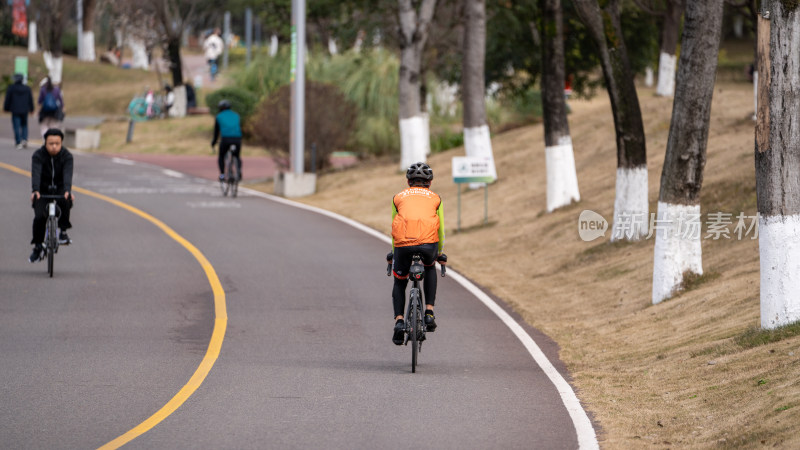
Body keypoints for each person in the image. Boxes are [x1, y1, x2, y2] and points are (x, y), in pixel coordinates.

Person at [387, 162, 447, 345]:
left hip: (403, 246)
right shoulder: (436, 198)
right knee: (430, 267)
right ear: (429, 182)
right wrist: (440, 252)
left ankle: (398, 321)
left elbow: (394, 227)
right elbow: (441, 229)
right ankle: (429, 312)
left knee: (399, 281)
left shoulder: (398, 198)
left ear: (408, 182)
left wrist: (393, 252)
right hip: (428, 245)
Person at [29, 128, 74, 263]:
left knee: (66, 200)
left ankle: (63, 232)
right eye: (51, 143)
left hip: (60, 187)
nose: (54, 146)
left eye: (57, 143)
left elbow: (67, 174)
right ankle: (38, 246)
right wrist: (35, 190)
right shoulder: (38, 155)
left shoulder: (67, 156)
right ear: (45, 143)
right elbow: (36, 173)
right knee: (39, 217)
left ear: (61, 143)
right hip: (42, 189)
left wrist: (67, 190)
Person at [211, 100, 243, 181]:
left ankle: (222, 175)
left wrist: (214, 142)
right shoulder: (236, 115)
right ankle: (238, 172)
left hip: (225, 139)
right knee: (237, 156)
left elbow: (216, 132)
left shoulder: (219, 116)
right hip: (237, 139)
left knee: (221, 156)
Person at [3, 73, 34, 149]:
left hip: (15, 110)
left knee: (16, 126)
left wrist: (6, 108)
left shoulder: (11, 88)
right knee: (24, 125)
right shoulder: (27, 88)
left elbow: (8, 99)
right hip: (25, 110)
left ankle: (18, 142)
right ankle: (24, 139)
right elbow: (30, 99)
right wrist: (31, 109)